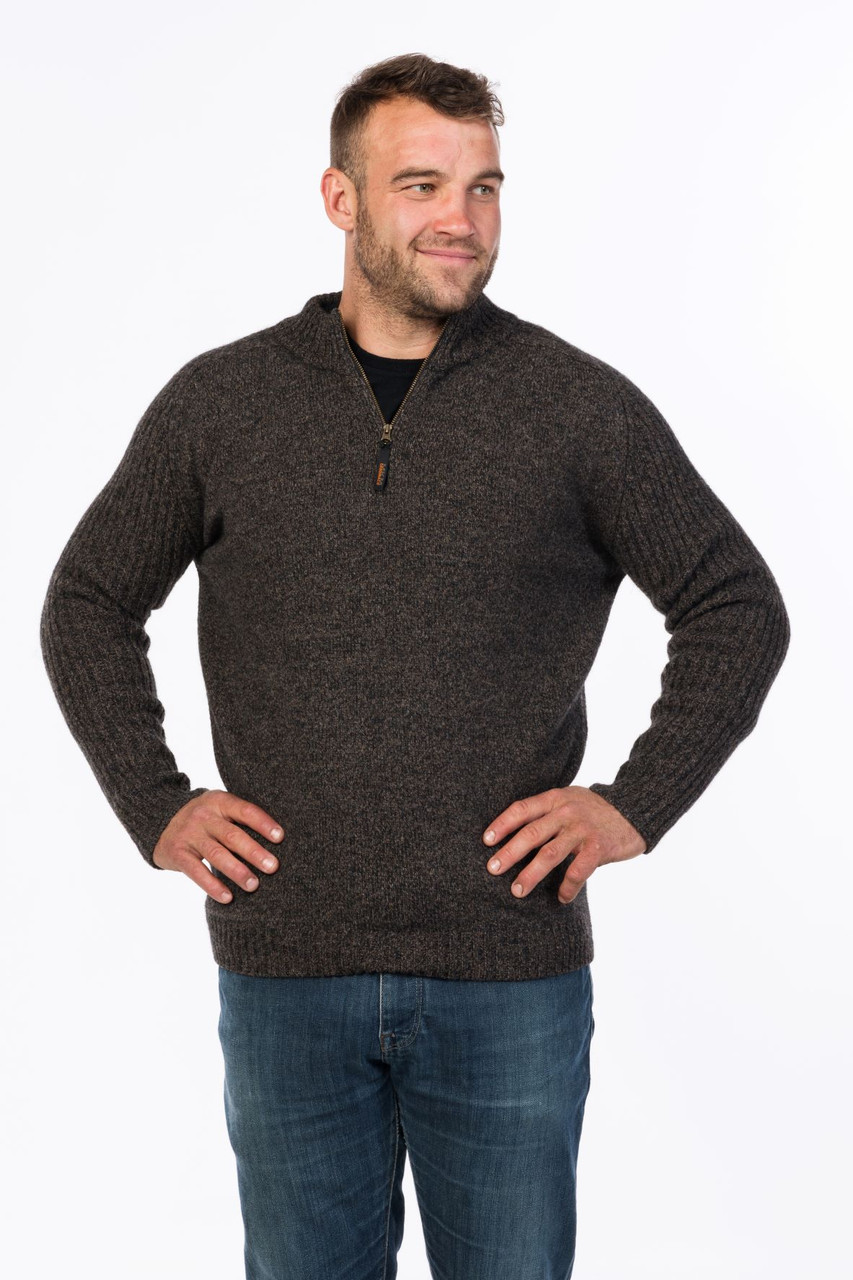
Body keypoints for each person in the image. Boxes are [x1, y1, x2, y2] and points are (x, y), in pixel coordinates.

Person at [40, 51, 790, 1280]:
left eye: (484, 186)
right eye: (422, 184)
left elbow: (734, 603)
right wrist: (155, 800)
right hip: (287, 966)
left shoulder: (576, 406)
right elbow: (88, 598)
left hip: (507, 973)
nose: (462, 218)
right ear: (340, 199)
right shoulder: (222, 403)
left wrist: (630, 804)